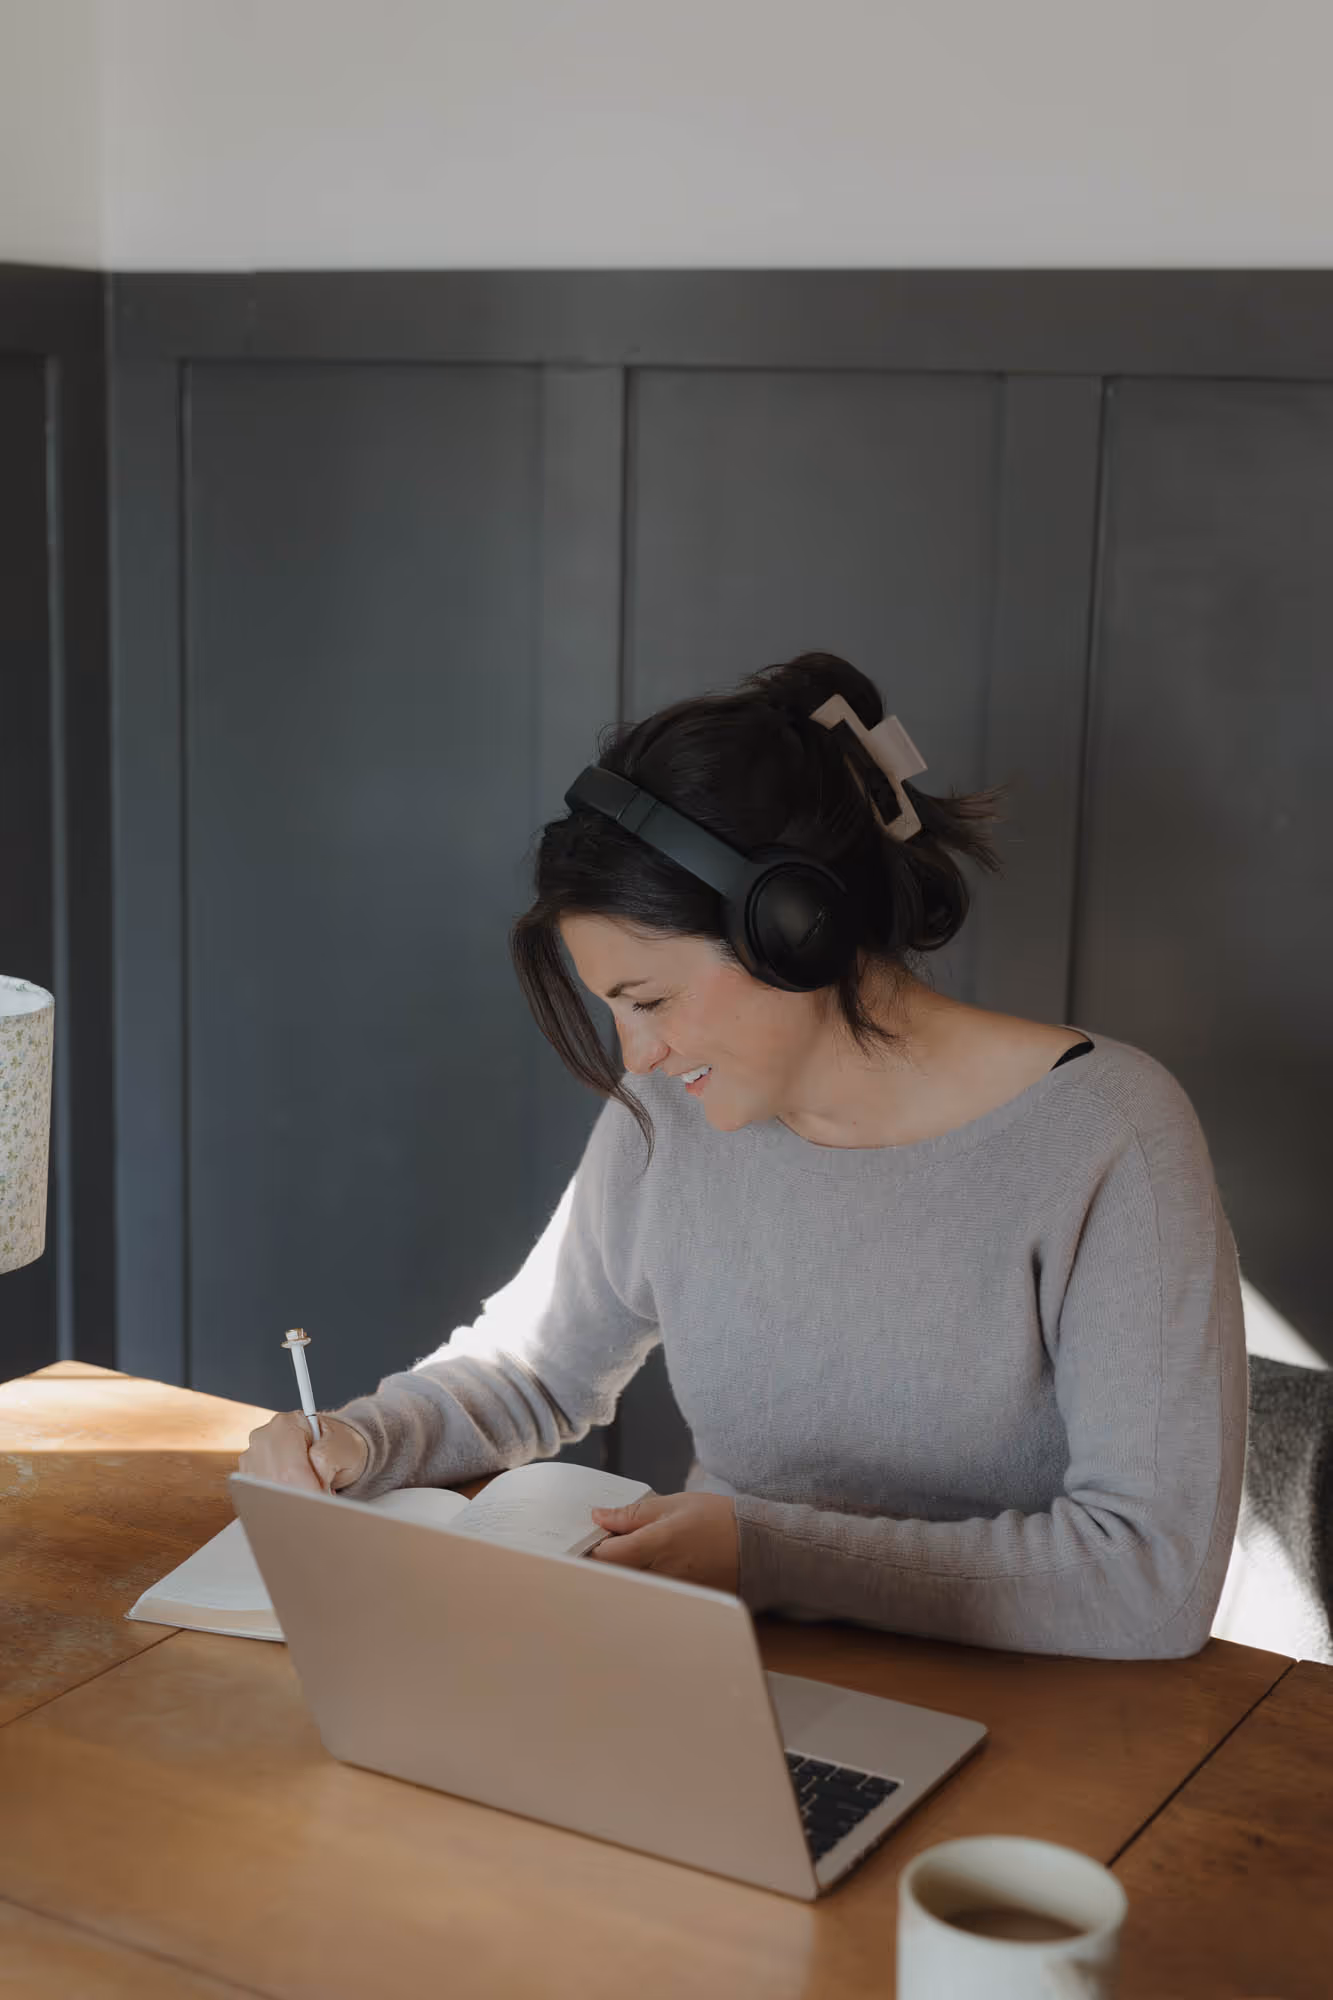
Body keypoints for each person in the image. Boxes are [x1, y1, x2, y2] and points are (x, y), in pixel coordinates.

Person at [240, 651, 1246, 1659]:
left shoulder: (1108, 1136)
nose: (637, 1055)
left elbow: (1146, 1577)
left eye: (650, 1000)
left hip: (1042, 1720)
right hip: (711, 1676)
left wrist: (767, 1553)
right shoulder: (668, 1117)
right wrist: (361, 1439)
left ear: (791, 930)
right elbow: (534, 1369)